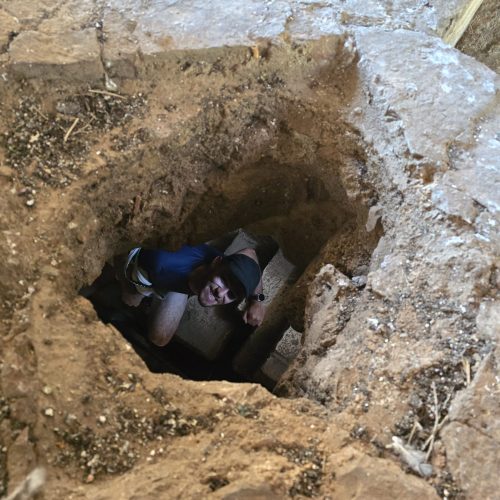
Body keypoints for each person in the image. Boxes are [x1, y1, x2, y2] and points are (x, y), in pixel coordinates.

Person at [116, 243, 266, 347]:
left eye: (231, 294)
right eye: (224, 280)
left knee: (159, 339)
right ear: (216, 262)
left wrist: (257, 300)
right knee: (130, 300)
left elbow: (251, 253)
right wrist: (127, 287)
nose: (220, 293)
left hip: (188, 281)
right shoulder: (159, 262)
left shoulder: (230, 265)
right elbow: (122, 250)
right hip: (161, 272)